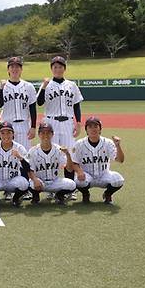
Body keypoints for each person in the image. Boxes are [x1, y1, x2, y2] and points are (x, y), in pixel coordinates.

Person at [36, 56, 83, 198]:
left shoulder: (72, 85)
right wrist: (43, 87)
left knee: (70, 154)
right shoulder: (47, 84)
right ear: (51, 69)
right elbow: (39, 102)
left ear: (64, 68)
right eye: (55, 67)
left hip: (68, 122)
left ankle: (70, 188)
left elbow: (76, 105)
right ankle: (52, 188)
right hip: (51, 122)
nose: (58, 69)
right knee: (52, 154)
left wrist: (78, 123)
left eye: (60, 66)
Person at [70, 117, 125, 204]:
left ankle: (107, 194)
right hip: (87, 176)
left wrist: (118, 146)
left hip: (104, 175)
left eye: (96, 126)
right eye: (90, 127)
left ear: (100, 129)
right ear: (86, 130)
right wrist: (79, 171)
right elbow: (74, 162)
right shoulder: (79, 144)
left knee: (119, 180)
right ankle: (85, 194)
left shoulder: (108, 143)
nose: (93, 129)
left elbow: (120, 160)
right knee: (78, 181)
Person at [26, 123, 77, 205]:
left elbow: (70, 169)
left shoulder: (58, 149)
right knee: (28, 184)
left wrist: (68, 154)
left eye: (48, 132)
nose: (45, 135)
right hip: (39, 182)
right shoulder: (33, 151)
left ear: (52, 134)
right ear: (39, 134)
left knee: (72, 185)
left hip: (54, 182)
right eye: (43, 132)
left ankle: (59, 195)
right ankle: (35, 196)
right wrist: (35, 180)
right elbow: (29, 169)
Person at [0, 56, 38, 150]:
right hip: (7, 125)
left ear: (21, 69)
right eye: (12, 67)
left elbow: (32, 108)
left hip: (24, 125)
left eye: (17, 67)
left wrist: (33, 127)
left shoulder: (28, 86)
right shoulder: (1, 86)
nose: (15, 69)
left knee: (24, 155)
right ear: (8, 69)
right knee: (8, 155)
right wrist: (1, 89)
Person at [0, 121, 31, 207]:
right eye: (3, 133)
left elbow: (28, 168)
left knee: (24, 183)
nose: (6, 135)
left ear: (13, 134)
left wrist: (20, 157)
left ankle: (16, 199)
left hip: (13, 181)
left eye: (9, 132)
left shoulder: (19, 148)